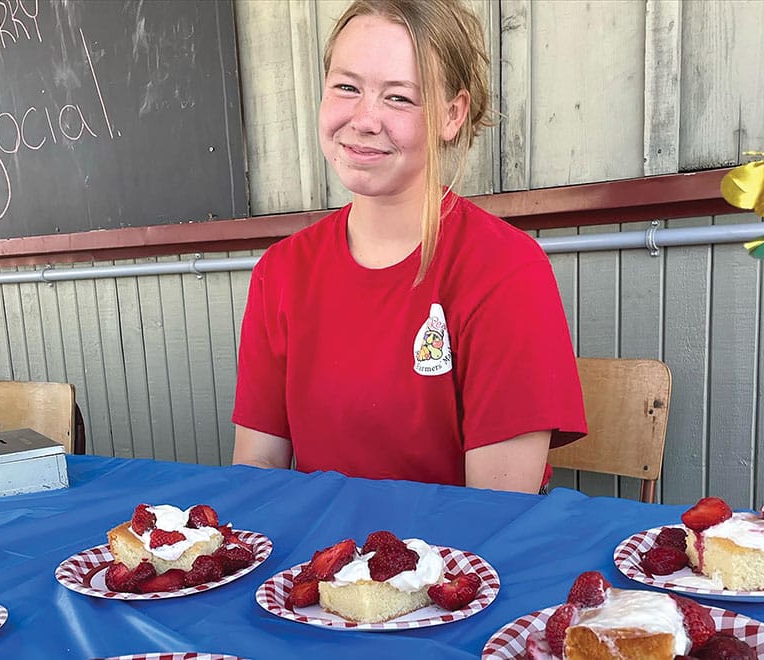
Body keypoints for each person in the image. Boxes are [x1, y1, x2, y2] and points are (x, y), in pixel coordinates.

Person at [232, 0, 586, 494]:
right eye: (346, 87)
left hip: (456, 564)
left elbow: (496, 509)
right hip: (321, 562)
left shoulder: (506, 270)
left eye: (399, 98)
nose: (364, 119)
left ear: (452, 115)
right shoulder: (281, 271)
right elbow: (258, 472)